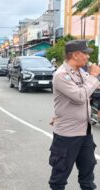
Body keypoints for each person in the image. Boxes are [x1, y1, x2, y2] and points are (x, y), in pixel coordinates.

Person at [49, 40, 100, 190]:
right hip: (67, 135)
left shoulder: (82, 72)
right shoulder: (61, 75)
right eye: (85, 53)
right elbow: (79, 96)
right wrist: (94, 76)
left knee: (87, 175)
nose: (87, 57)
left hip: (85, 132)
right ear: (76, 55)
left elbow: (92, 90)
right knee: (59, 177)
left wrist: (93, 79)